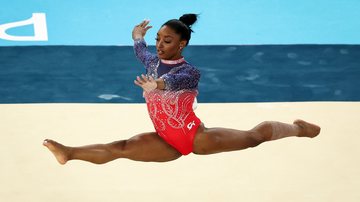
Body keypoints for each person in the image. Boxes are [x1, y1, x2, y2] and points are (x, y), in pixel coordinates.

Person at [43, 14, 320, 165]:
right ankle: (69, 153)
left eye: (167, 40)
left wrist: (157, 85)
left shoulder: (189, 71)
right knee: (121, 148)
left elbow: (174, 82)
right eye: (158, 39)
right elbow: (141, 50)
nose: (160, 45)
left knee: (253, 137)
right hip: (165, 140)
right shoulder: (152, 61)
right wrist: (138, 35)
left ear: (182, 44)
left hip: (196, 137)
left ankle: (299, 129)